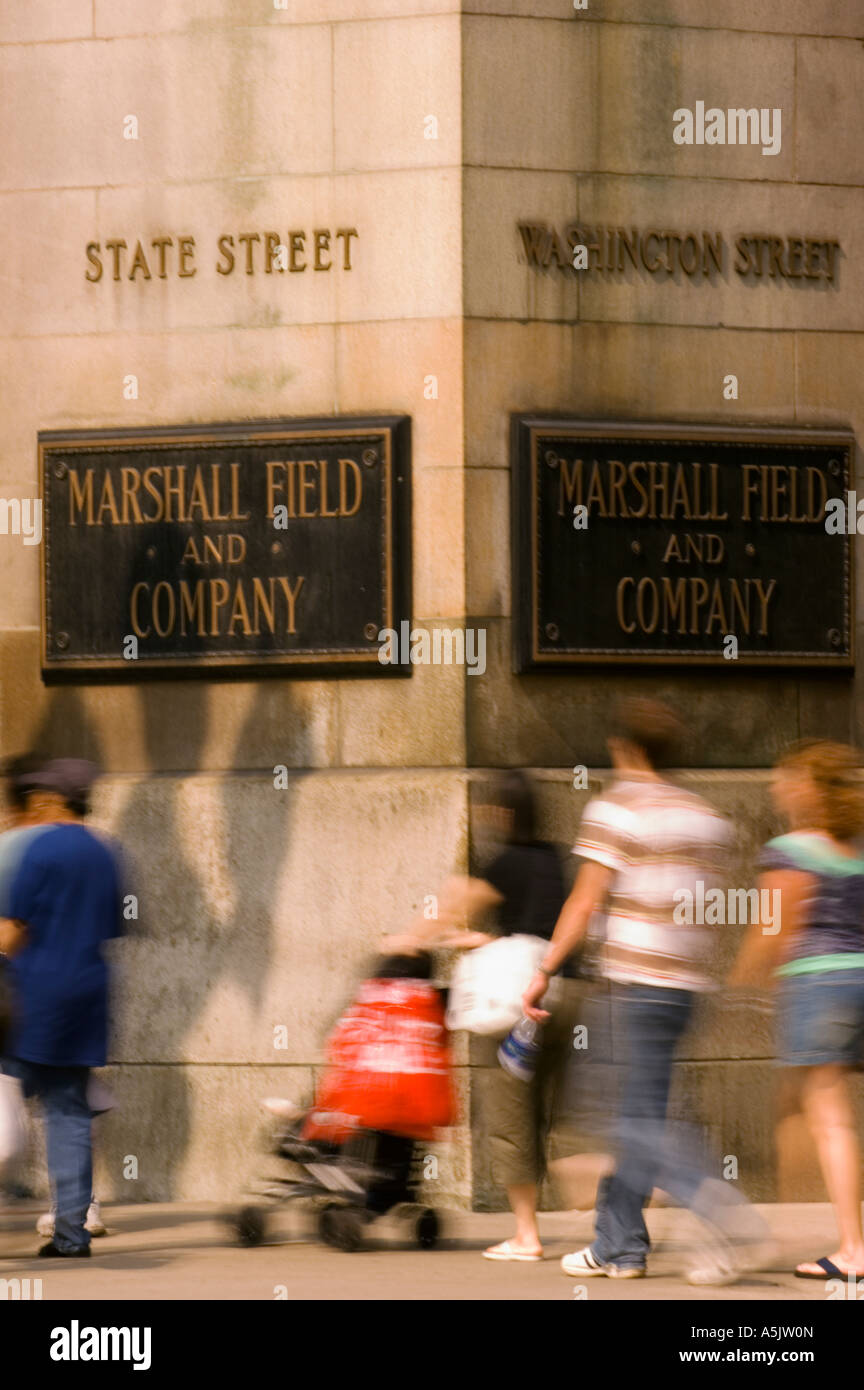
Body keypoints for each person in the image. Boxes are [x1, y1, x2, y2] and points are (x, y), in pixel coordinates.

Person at [522, 698, 762, 1283]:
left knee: (624, 1120)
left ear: (624, 749)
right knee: (637, 1111)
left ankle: (720, 1212)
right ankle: (619, 1244)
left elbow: (585, 900)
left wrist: (545, 966)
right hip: (683, 988)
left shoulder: (616, 810)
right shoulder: (706, 819)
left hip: (631, 985)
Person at [390, 770, 581, 1261]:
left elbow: (453, 905)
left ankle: (526, 1235)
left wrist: (408, 941)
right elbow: (537, 929)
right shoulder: (552, 859)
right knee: (555, 1110)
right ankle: (599, 1210)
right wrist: (488, 940)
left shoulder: (505, 862)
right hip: (565, 991)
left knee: (510, 1114)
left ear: (500, 813)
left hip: (517, 1005)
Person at [730, 740, 864, 1280]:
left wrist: (741, 981)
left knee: (832, 1123)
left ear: (809, 789)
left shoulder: (789, 849)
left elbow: (772, 931)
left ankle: (854, 1249)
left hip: (818, 984)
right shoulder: (857, 849)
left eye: (786, 779)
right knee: (815, 1115)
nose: (776, 788)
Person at [0, 758, 123, 1257]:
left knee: (6, 1100)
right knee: (69, 1112)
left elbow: (12, 929)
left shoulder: (39, 847)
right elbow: (116, 924)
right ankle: (72, 1234)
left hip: (31, 995)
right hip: (89, 994)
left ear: (46, 802)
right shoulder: (105, 852)